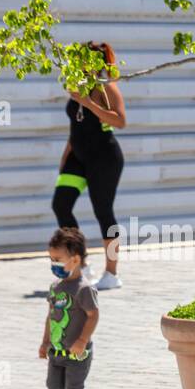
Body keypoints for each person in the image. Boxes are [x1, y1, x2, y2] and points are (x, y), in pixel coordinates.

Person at [53, 41, 126, 291]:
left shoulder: (106, 88)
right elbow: (77, 125)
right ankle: (82, 264)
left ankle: (112, 274)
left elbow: (120, 121)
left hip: (104, 158)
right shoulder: (76, 84)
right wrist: (66, 155)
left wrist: (88, 102)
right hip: (78, 157)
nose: (80, 64)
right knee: (61, 204)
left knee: (103, 212)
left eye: (85, 59)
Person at [40, 227, 99, 389]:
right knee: (54, 385)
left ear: (75, 260)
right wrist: (45, 341)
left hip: (78, 353)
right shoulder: (55, 287)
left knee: (73, 387)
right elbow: (51, 316)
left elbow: (93, 315)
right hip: (57, 349)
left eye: (57, 259)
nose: (53, 264)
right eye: (51, 259)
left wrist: (82, 340)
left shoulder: (84, 289)